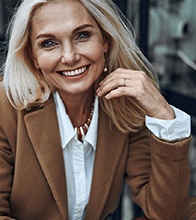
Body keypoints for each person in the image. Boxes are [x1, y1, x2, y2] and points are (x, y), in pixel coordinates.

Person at [0, 0, 191, 219]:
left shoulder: (124, 104)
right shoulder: (6, 106)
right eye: (49, 43)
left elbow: (167, 212)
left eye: (82, 36)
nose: (70, 57)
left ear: (105, 41)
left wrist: (164, 117)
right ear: (33, 57)